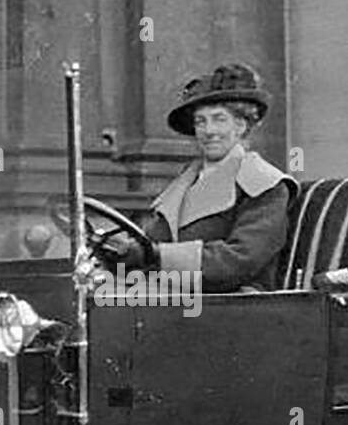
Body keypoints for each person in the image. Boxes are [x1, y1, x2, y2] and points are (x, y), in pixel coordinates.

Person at [100, 63, 297, 292]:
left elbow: (241, 259)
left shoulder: (264, 184)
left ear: (241, 125)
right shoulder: (187, 180)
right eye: (200, 121)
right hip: (176, 297)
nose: (208, 130)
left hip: (234, 305)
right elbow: (153, 243)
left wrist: (156, 256)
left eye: (219, 119)